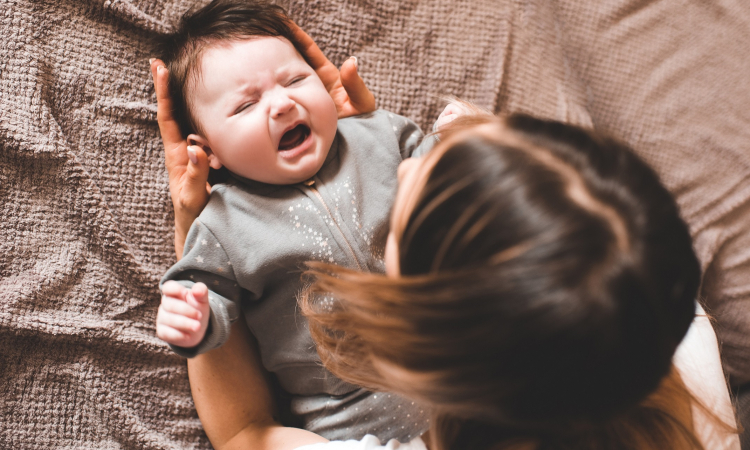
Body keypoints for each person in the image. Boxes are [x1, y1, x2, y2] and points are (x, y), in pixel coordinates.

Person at [182, 113, 739, 450]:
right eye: (442, 157)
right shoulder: (668, 320)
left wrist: (200, 237)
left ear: (415, 351)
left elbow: (243, 433)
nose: (397, 169)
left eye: (396, 220)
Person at [150, 0, 462, 442]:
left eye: (295, 79)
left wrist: (457, 141)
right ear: (209, 151)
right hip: (352, 414)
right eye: (244, 106)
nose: (282, 103)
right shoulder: (222, 225)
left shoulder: (377, 134)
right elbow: (203, 287)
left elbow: (435, 169)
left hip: (461, 356)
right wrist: (191, 319)